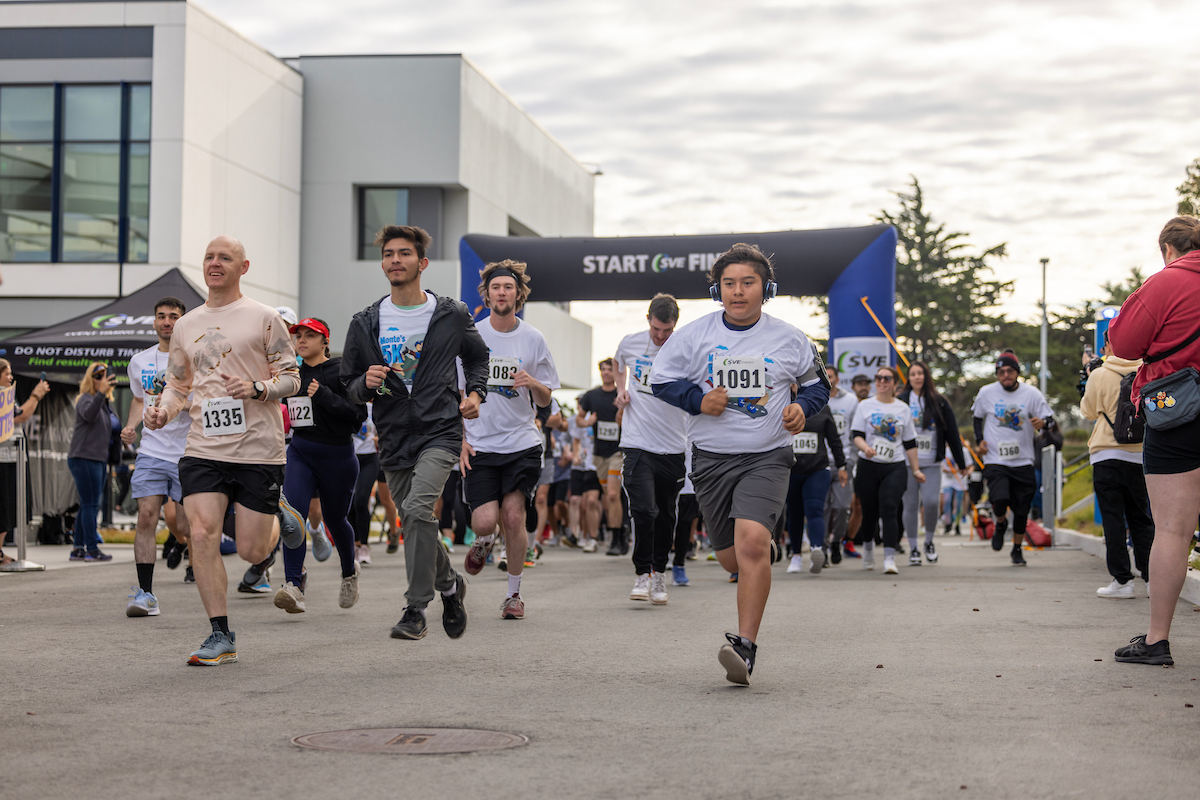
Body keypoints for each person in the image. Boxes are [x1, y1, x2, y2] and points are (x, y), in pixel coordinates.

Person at [653, 242, 829, 685]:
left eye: (747, 282)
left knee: (750, 544)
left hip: (767, 455)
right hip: (711, 460)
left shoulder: (791, 338)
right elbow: (659, 379)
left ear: (765, 288)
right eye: (728, 283)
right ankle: (760, 547)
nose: (737, 291)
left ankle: (744, 647)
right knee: (732, 560)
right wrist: (697, 398)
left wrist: (803, 408)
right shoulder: (693, 336)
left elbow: (817, 385)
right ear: (717, 290)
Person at [145, 235, 302, 665]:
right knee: (200, 534)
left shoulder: (265, 318)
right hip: (204, 446)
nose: (215, 263)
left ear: (243, 267)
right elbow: (179, 384)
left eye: (225, 257)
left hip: (257, 449)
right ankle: (220, 634)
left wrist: (257, 388)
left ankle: (282, 517)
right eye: (210, 257)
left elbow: (292, 378)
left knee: (252, 551)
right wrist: (162, 411)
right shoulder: (186, 324)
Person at [341, 224, 488, 641]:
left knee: (420, 510)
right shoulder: (365, 321)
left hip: (439, 430)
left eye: (404, 254)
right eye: (388, 254)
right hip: (392, 434)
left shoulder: (450, 314)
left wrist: (476, 394)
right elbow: (348, 385)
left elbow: (478, 358)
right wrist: (363, 384)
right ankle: (450, 585)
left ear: (421, 263)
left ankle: (415, 607)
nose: (395, 261)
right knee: (413, 518)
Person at [1108, 216, 1200, 665]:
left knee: (1172, 530)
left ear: (1167, 247)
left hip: (1179, 413)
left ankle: (1157, 640)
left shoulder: (1166, 283)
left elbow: (1123, 343)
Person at [459, 259, 559, 620]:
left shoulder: (533, 338)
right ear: (486, 294)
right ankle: (485, 541)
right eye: (496, 288)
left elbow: (547, 399)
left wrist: (533, 383)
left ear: (519, 295)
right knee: (485, 520)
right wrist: (461, 440)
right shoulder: (472, 335)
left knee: (514, 517)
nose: (502, 293)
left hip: (521, 442)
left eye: (509, 288)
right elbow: (456, 390)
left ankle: (513, 595)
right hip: (481, 443)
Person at [272, 317, 368, 614]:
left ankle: (349, 573)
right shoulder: (293, 374)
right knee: (294, 517)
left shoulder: (340, 370)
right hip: (301, 451)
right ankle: (293, 585)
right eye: (298, 335)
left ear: (325, 340)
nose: (301, 340)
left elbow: (358, 416)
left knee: (335, 520)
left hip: (338, 456)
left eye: (309, 335)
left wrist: (324, 396)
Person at [120, 297, 193, 615]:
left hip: (189, 451)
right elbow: (139, 399)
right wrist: (130, 426)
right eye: (161, 316)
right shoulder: (140, 361)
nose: (167, 321)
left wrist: (174, 403)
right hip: (151, 450)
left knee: (190, 526)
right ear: (154, 322)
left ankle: (189, 554)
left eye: (173, 316)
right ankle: (146, 595)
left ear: (182, 322)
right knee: (147, 517)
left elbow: (204, 400)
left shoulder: (195, 360)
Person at [614, 293, 687, 604]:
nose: (660, 337)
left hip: (673, 445)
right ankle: (642, 574)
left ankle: (659, 575)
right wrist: (621, 390)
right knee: (644, 510)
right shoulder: (630, 343)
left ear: (675, 326)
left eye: (666, 331)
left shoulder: (685, 350)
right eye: (656, 329)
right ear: (648, 320)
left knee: (666, 515)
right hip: (637, 442)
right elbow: (618, 363)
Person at [1079, 334, 1153, 599]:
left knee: (1113, 519)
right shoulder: (1145, 370)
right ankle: (1151, 579)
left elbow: (1087, 411)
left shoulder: (1100, 374)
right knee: (1141, 519)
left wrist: (1090, 375)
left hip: (1106, 454)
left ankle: (1122, 582)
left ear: (1110, 346)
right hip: (1138, 455)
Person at [970, 351, 1052, 567]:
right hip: (996, 459)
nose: (1005, 375)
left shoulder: (1031, 394)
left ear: (1017, 373)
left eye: (1010, 371)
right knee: (1000, 499)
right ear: (997, 374)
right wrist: (979, 440)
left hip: (1023, 460)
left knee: (1022, 508)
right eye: (1001, 372)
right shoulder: (986, 393)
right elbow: (977, 418)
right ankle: (1000, 522)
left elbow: (1049, 419)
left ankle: (1017, 549)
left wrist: (1042, 424)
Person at [849, 365, 925, 575]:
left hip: (895, 465)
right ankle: (868, 550)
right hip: (868, 465)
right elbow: (856, 434)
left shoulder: (903, 408)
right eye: (879, 378)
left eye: (887, 378)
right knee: (869, 510)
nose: (882, 381)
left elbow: (910, 443)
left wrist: (916, 470)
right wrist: (865, 448)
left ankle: (890, 557)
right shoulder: (865, 406)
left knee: (890, 507)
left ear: (894, 384)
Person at [896, 361, 967, 565]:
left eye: (920, 373)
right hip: (908, 463)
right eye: (913, 374)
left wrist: (961, 463)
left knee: (931, 502)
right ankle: (913, 548)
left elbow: (952, 434)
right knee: (909, 505)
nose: (917, 377)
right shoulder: (901, 401)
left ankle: (928, 541)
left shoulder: (940, 402)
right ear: (908, 379)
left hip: (932, 463)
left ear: (926, 376)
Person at [67, 362, 119, 562]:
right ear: (91, 379)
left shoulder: (106, 404)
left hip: (98, 459)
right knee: (90, 504)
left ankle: (78, 547)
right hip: (84, 457)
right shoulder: (85, 399)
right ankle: (91, 548)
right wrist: (100, 394)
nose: (102, 380)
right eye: (98, 376)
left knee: (86, 504)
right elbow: (89, 415)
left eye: (106, 376)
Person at [785, 402, 845, 574]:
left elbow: (834, 439)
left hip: (817, 469)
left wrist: (841, 465)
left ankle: (816, 550)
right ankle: (795, 555)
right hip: (791, 470)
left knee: (814, 508)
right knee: (794, 513)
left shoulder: (821, 407)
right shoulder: (783, 402)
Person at [0, 360, 50, 564]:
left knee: (7, 507)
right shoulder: (3, 395)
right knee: (4, 507)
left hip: (12, 457)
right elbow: (20, 416)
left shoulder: (6, 393)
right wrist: (36, 395)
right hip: (5, 458)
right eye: (7, 373)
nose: (11, 377)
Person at [578, 358, 625, 555]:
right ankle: (618, 532)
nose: (606, 373)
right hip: (599, 454)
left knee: (613, 494)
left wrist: (621, 414)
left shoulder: (622, 394)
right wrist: (587, 422)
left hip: (618, 450)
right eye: (603, 370)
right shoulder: (591, 396)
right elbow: (579, 419)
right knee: (607, 496)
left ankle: (617, 537)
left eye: (609, 370)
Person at [823, 363, 859, 564]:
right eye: (825, 376)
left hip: (843, 463)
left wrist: (851, 461)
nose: (828, 379)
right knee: (823, 509)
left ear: (837, 378)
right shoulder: (817, 400)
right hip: (821, 463)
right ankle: (823, 548)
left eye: (831, 376)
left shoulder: (851, 401)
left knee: (843, 507)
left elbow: (857, 433)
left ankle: (836, 540)